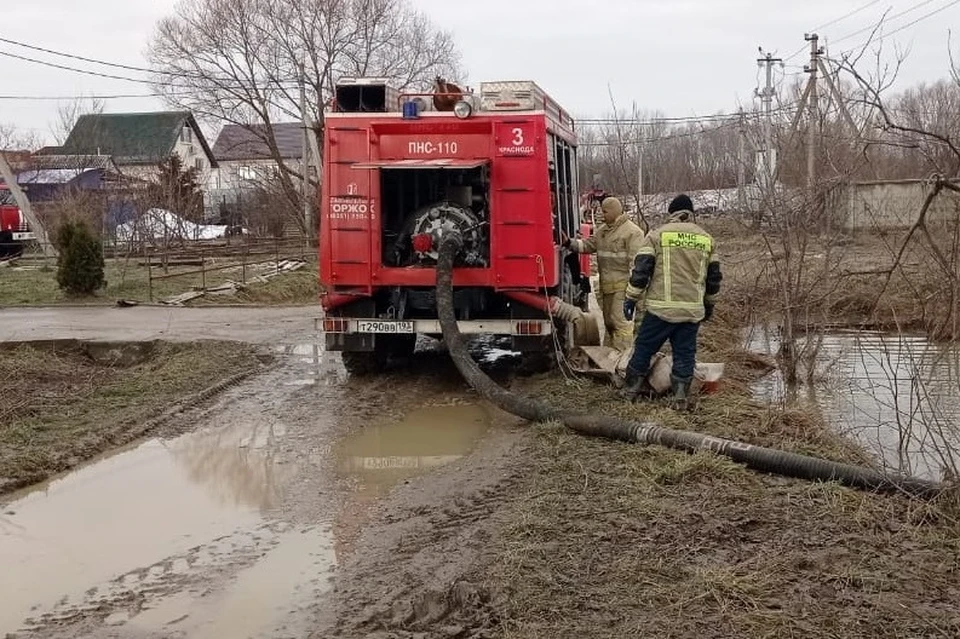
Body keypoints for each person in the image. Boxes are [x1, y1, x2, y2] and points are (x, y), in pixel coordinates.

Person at [619, 194, 722, 410]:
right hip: (691, 311)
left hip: (660, 310)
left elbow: (641, 272)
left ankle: (629, 392)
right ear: (691, 214)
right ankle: (680, 397)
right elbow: (713, 279)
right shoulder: (706, 239)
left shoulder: (657, 236)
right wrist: (709, 305)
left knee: (644, 349)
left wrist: (630, 298)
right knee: (685, 354)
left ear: (671, 213)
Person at [561, 196, 645, 352]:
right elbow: (587, 245)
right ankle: (608, 357)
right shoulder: (603, 232)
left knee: (620, 324)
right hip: (607, 288)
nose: (601, 215)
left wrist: (636, 295)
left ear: (614, 211)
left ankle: (621, 359)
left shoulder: (633, 233)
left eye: (604, 211)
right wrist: (568, 243)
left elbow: (638, 265)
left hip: (623, 289)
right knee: (609, 323)